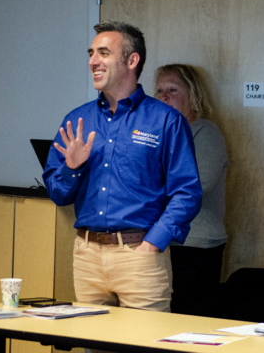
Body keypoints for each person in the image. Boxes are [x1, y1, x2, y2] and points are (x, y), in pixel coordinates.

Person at [43, 22, 202, 313]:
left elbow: (187, 192)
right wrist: (72, 168)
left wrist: (152, 244)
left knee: (144, 345)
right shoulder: (78, 120)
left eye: (103, 53)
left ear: (131, 60)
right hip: (87, 256)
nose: (92, 61)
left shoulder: (166, 120)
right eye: (91, 53)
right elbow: (58, 194)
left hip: (140, 256)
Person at [154, 64, 229, 315]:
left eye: (172, 90)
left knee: (185, 320)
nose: (164, 96)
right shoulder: (157, 135)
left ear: (193, 95)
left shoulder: (205, 131)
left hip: (195, 245)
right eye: (159, 90)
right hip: (160, 241)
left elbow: (196, 186)